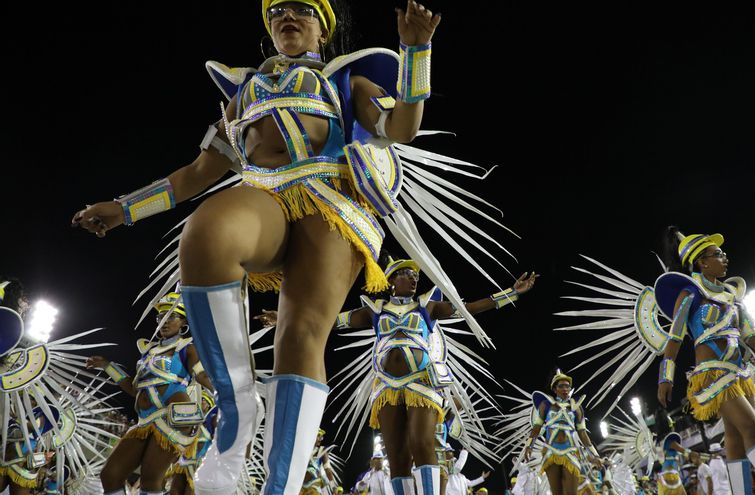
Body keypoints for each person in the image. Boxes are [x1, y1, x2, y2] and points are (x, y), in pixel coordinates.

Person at [71, 1, 516, 492]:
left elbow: (401, 129)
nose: (289, 16)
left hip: (331, 205)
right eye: (278, 9)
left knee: (299, 337)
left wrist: (416, 52)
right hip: (264, 196)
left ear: (322, 29)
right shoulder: (244, 92)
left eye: (302, 9)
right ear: (268, 26)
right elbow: (196, 174)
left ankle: (279, 487)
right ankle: (238, 400)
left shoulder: (344, 81)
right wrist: (125, 208)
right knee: (206, 232)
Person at [337, 258, 536, 495]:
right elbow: (332, 319)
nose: (414, 278)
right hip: (386, 387)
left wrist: (511, 293)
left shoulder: (427, 306)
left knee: (422, 443)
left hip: (421, 382)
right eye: (407, 274)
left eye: (416, 275)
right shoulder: (375, 310)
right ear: (391, 280)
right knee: (397, 455)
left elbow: (468, 308)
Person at [654, 229, 755, 495]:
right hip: (712, 375)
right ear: (702, 262)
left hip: (739, 374)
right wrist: (665, 376)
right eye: (718, 254)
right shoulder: (689, 293)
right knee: (753, 428)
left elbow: (750, 335)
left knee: (735, 440)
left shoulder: (733, 296)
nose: (725, 257)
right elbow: (674, 338)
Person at [86, 292, 214, 495]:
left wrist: (228, 395)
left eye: (171, 316)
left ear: (183, 322)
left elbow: (202, 376)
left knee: (150, 479)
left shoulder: (186, 348)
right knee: (110, 475)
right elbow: (134, 388)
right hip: (145, 420)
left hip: (172, 417)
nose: (164, 321)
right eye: (160, 317)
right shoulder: (148, 352)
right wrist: (107, 366)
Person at [525, 370, 601, 495]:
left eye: (567, 386)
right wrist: (529, 446)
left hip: (571, 452)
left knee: (571, 492)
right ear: (555, 389)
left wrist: (595, 455)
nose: (565, 389)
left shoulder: (577, 408)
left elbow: (582, 433)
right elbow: (537, 428)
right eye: (561, 386)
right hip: (550, 452)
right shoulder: (546, 405)